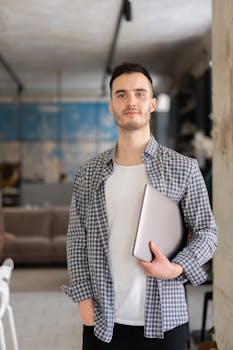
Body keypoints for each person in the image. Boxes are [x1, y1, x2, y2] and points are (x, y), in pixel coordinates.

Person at [63, 62, 217, 350]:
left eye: (139, 93)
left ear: (153, 104)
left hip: (166, 319)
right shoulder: (89, 172)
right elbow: (76, 239)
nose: (131, 101)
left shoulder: (183, 168)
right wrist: (83, 300)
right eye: (121, 95)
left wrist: (176, 268)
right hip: (103, 320)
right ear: (111, 106)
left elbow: (207, 232)